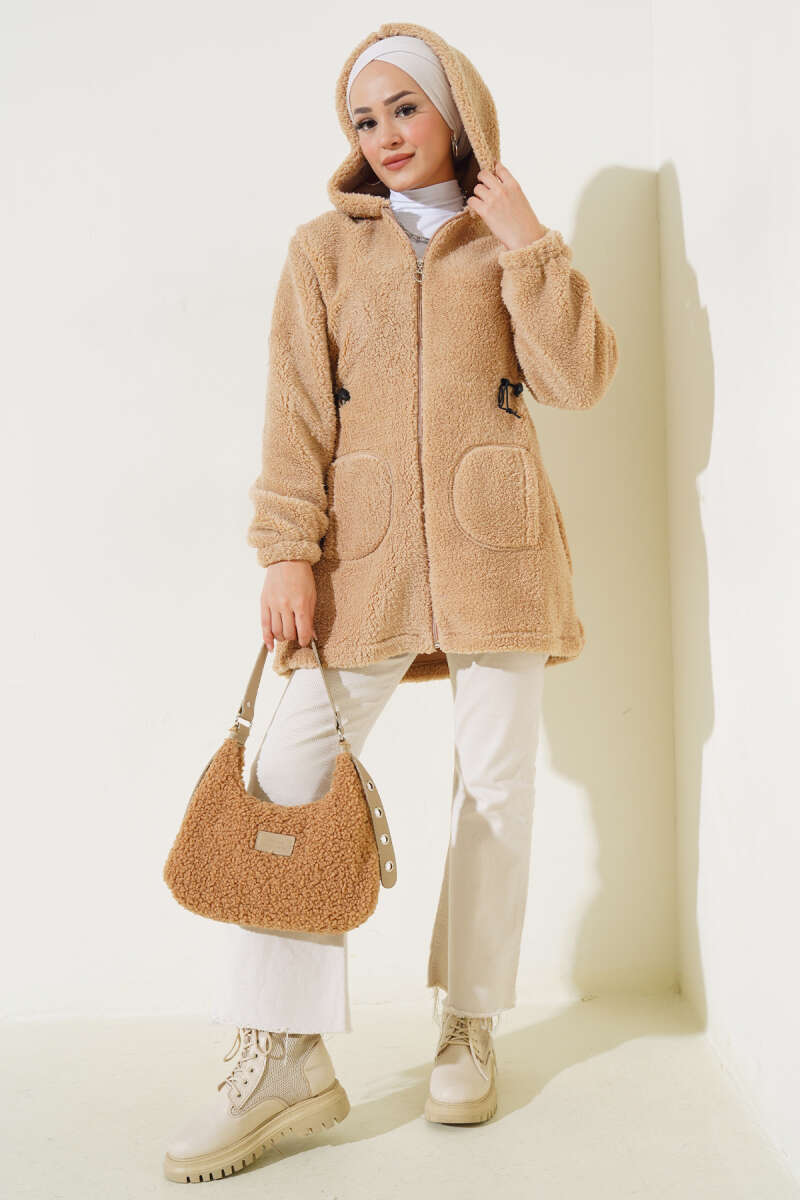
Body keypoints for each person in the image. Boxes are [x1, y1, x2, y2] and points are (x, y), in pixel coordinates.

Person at [163, 21, 618, 1183]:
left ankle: (468, 1022)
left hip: (498, 549)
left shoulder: (506, 240)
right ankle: (283, 1055)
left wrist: (529, 247)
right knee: (286, 770)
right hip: (360, 561)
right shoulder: (322, 249)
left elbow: (577, 380)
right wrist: (285, 552)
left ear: (455, 110)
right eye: (363, 120)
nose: (384, 135)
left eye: (403, 109)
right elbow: (293, 411)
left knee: (495, 788)